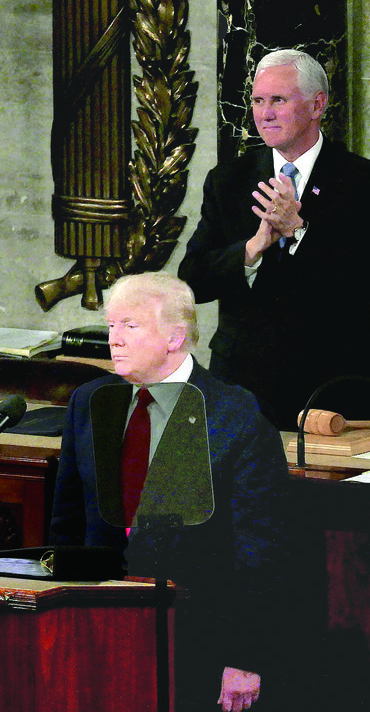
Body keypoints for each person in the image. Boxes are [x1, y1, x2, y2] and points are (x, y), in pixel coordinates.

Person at [49, 272, 290, 711]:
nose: (113, 340)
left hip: (197, 638)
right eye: (110, 325)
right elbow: (67, 524)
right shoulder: (89, 400)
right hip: (98, 631)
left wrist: (245, 657)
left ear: (175, 337)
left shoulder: (235, 414)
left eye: (130, 326)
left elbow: (262, 550)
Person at [178, 49, 370, 431]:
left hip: (334, 387)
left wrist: (298, 232)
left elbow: (365, 283)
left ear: (317, 105)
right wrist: (252, 250)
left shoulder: (367, 182)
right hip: (244, 385)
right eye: (258, 101)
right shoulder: (228, 180)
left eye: (278, 100)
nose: (265, 113)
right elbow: (193, 279)